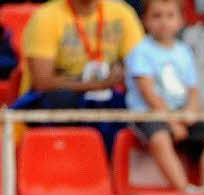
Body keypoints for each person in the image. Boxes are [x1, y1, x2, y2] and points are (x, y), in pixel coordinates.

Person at [125, 0, 204, 195]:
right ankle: (184, 189)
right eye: (157, 16)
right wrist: (171, 122)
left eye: (170, 16)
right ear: (144, 21)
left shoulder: (183, 51)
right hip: (149, 114)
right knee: (160, 138)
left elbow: (193, 89)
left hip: (180, 114)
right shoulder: (141, 51)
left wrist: (190, 112)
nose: (164, 22)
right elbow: (148, 93)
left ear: (181, 20)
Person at [17, 0, 144, 149]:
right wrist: (99, 84)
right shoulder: (46, 16)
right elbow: (42, 82)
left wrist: (120, 73)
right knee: (63, 98)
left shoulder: (122, 12)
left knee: (139, 100)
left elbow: (140, 67)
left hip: (106, 93)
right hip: (56, 100)